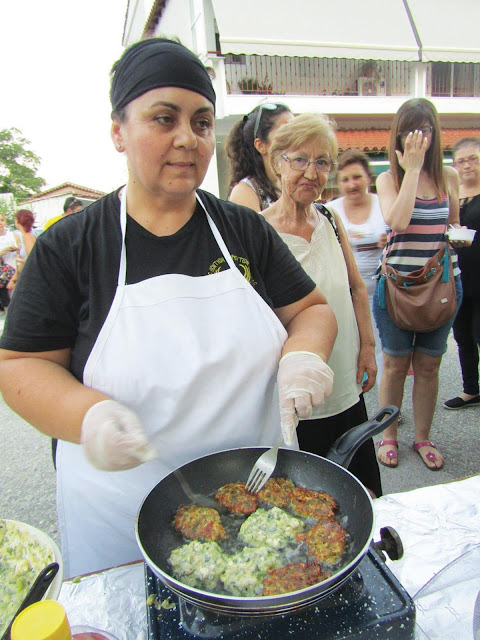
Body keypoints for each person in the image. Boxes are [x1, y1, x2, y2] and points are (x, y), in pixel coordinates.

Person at [0, 38, 338, 578]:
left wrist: (303, 357)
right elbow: (20, 366)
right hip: (122, 511)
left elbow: (311, 310)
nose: (188, 138)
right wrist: (88, 416)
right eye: (164, 119)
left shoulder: (242, 229)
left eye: (202, 122)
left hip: (253, 498)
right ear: (118, 131)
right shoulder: (72, 245)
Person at [264, 113, 382, 497]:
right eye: (299, 159)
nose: (311, 172)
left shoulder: (330, 218)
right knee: (311, 498)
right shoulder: (258, 231)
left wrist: (367, 347)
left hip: (345, 379)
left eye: (321, 162)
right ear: (278, 162)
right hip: (299, 389)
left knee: (360, 490)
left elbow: (356, 288)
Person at [374, 98, 463, 471]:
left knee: (429, 366)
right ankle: (388, 435)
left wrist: (459, 237)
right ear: (398, 136)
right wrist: (410, 170)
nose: (418, 140)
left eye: (424, 132)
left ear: (434, 134)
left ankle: (423, 437)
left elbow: (453, 229)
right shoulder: (388, 178)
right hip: (396, 290)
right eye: (410, 132)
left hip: (440, 289)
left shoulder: (449, 177)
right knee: (395, 366)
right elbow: (397, 220)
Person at [332, 150, 387, 384]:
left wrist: (388, 240)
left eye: (357, 177)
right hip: (347, 291)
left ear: (369, 178)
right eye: (345, 179)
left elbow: (399, 232)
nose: (352, 184)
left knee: (383, 348)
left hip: (382, 289)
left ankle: (385, 406)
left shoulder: (382, 204)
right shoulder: (330, 209)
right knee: (350, 346)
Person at [443, 137, 480, 410]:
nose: (467, 165)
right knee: (463, 336)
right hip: (459, 276)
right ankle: (471, 390)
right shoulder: (452, 192)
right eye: (461, 160)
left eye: (473, 159)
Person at [225, 102, 293, 211]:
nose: (295, 139)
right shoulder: (245, 192)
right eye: (285, 133)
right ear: (261, 145)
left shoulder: (290, 186)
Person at [7, 209, 36, 294]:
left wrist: (19, 260)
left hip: (30, 278)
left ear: (17, 221)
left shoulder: (27, 236)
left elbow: (31, 258)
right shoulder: (26, 235)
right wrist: (14, 279)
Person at [0, 213, 20, 312]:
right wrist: (1, 252)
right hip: (3, 274)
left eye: (2, 220)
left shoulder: (13, 235)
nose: (0, 223)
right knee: (6, 300)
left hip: (15, 270)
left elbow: (20, 252)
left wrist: (15, 248)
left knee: (17, 298)